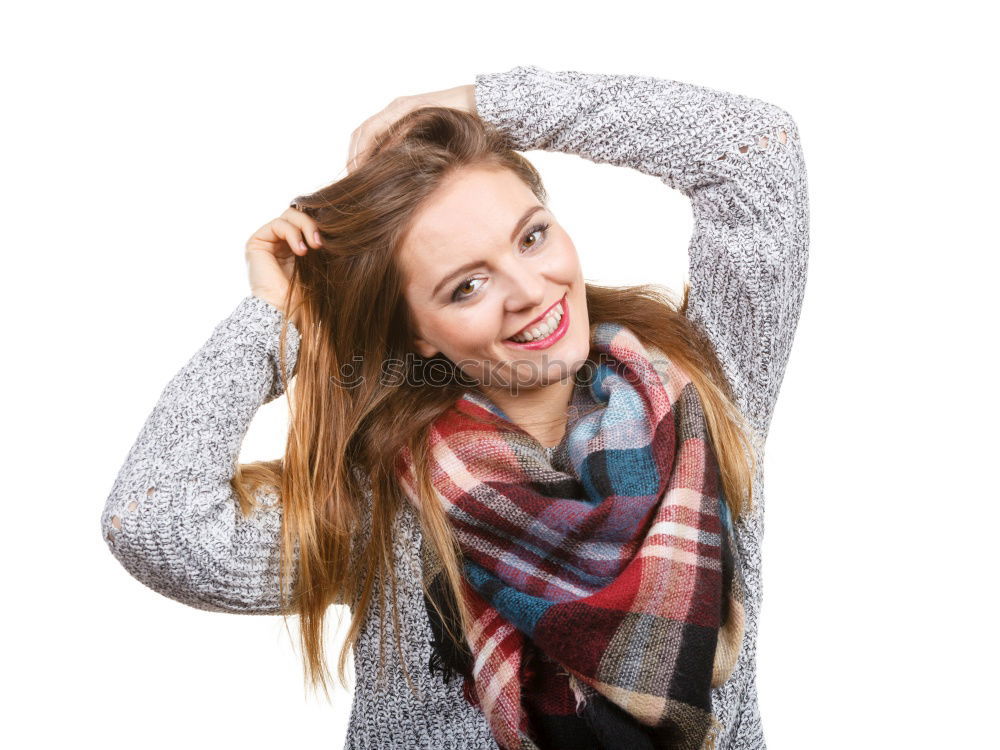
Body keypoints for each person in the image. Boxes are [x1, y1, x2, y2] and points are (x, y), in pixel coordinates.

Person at [101, 64, 809, 750]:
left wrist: (484, 103)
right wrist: (275, 318)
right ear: (416, 333)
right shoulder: (390, 498)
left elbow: (752, 151)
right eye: (467, 286)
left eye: (532, 236)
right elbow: (154, 524)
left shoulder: (703, 393)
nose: (531, 290)